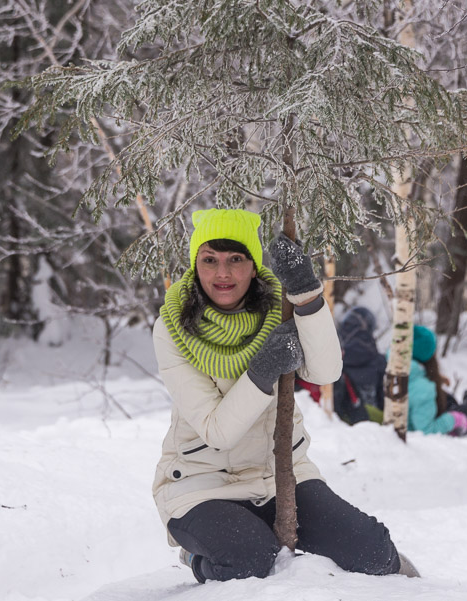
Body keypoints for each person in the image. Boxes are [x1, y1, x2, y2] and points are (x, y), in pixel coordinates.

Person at [151, 208, 416, 583]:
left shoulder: (280, 310)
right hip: (201, 484)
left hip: (282, 476)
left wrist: (307, 296)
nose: (222, 273)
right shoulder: (173, 327)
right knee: (251, 561)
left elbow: (325, 372)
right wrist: (263, 370)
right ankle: (196, 557)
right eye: (209, 260)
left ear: (254, 266)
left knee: (371, 551)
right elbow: (217, 431)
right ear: (195, 265)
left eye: (236, 259)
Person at [406, 325, 467, 436]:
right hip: (441, 415)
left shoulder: (394, 368)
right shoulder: (424, 390)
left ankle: (465, 406)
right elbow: (426, 430)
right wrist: (454, 419)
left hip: (433, 406)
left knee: (449, 400)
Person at [332, 306, 386, 425]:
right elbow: (383, 395)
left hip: (341, 417)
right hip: (373, 418)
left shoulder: (336, 353)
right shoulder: (378, 359)